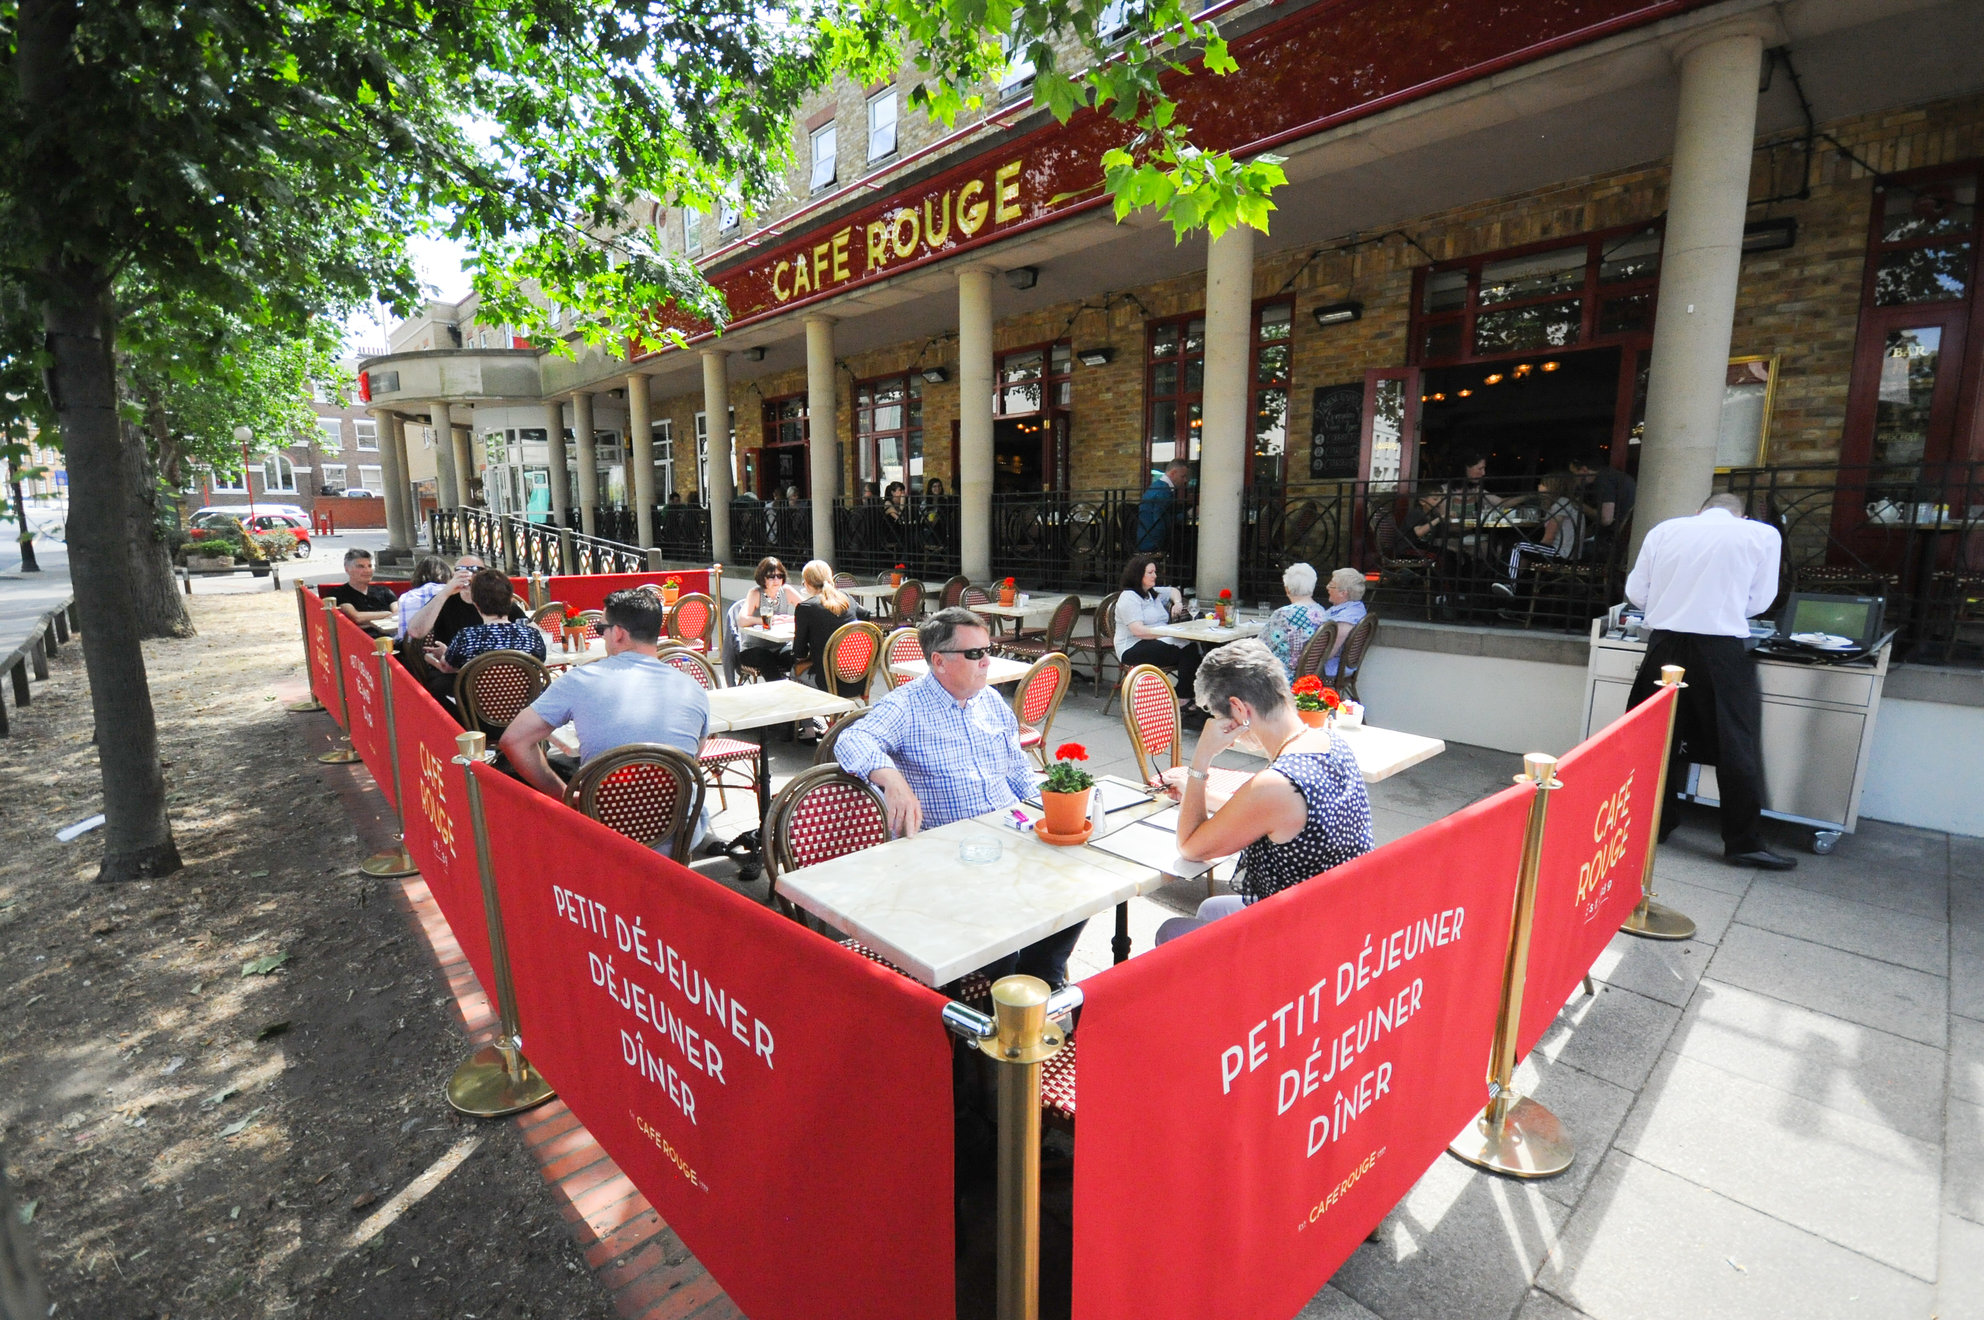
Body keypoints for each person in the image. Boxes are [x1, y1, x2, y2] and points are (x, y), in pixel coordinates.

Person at [834, 607, 1086, 987]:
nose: (987, 661)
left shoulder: (990, 701)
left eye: (988, 650)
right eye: (975, 654)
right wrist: (891, 778)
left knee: (1082, 884)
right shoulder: (906, 705)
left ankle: (1039, 978)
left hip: (1012, 838)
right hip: (951, 857)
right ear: (939, 661)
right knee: (998, 931)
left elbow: (1019, 772)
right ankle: (997, 996)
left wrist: (1058, 806)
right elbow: (852, 738)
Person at [1153, 640, 1374, 943]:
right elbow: (1272, 814)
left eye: (1219, 718)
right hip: (1341, 915)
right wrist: (1211, 799)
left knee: (1170, 933)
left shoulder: (1276, 784)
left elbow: (1190, 847)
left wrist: (1200, 760)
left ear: (1241, 710)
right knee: (1209, 908)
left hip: (1300, 937)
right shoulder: (1329, 741)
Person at [1624, 492, 1793, 870]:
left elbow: (1635, 593)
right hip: (1719, 647)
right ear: (1742, 515)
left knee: (1652, 737)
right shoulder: (1761, 535)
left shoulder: (1665, 529)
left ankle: (1650, 824)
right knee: (1733, 743)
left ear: (1699, 510)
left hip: (1665, 644)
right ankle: (1743, 843)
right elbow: (1760, 603)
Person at [499, 589, 712, 855]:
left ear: (619, 633)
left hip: (604, 836)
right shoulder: (693, 688)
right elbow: (690, 761)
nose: (602, 634)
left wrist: (563, 794)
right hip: (679, 833)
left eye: (602, 628)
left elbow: (513, 740)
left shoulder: (579, 680)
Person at [791, 560, 868, 735]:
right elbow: (865, 617)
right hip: (858, 679)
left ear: (808, 584)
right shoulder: (848, 600)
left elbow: (799, 653)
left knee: (794, 672)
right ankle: (840, 720)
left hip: (828, 682)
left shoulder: (806, 607)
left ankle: (808, 730)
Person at [429, 567, 547, 674]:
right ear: (511, 600)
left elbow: (449, 668)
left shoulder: (466, 637)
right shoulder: (532, 636)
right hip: (526, 696)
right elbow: (540, 663)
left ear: (475, 603)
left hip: (478, 696)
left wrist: (445, 654)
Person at [1113, 554, 1199, 694]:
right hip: (1133, 646)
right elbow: (1138, 631)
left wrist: (1177, 603)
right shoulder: (1129, 597)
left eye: (1155, 572)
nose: (1155, 576)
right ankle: (1183, 696)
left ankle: (1185, 693)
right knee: (1187, 652)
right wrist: (1168, 632)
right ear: (1138, 574)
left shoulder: (1152, 593)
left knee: (1193, 647)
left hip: (1158, 638)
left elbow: (1173, 591)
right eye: (1150, 573)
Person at [1493, 472, 1585, 592]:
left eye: (1542, 484)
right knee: (1523, 551)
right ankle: (1517, 589)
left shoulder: (1560, 504)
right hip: (1570, 552)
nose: (1539, 487)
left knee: (1518, 546)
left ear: (1552, 487)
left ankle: (1509, 584)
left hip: (1561, 552)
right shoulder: (1567, 503)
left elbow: (1548, 538)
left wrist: (1534, 552)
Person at [405, 554, 524, 646]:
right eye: (460, 569)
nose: (467, 574)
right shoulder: (443, 600)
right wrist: (445, 592)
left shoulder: (497, 599)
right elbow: (415, 632)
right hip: (449, 667)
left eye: (475, 569)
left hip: (495, 668)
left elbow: (531, 629)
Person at [1260, 563, 1330, 680]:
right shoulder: (1322, 612)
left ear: (1287, 589)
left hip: (1283, 677)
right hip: (1311, 677)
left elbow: (1261, 645)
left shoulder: (1284, 614)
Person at [738, 556, 803, 680]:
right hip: (753, 648)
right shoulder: (755, 593)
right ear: (763, 578)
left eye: (780, 576)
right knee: (766, 658)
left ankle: (798, 689)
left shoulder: (787, 591)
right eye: (771, 577)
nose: (776, 580)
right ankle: (779, 694)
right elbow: (742, 620)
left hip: (779, 646)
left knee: (798, 656)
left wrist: (788, 619)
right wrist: (765, 620)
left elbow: (808, 610)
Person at [324, 548, 397, 632]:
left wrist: (367, 622)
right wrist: (387, 614)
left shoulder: (384, 590)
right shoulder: (338, 593)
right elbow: (357, 617)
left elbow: (398, 613)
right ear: (347, 569)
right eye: (361, 566)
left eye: (369, 566)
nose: (367, 571)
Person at [1568, 452, 1636, 531]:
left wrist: (1579, 505)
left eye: (1574, 473)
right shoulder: (1610, 475)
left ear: (1584, 470)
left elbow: (1606, 519)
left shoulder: (1603, 480)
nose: (1573, 478)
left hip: (1616, 534)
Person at [393, 556, 453, 640]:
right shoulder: (448, 592)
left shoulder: (404, 597)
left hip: (407, 648)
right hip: (439, 645)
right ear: (446, 574)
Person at [1137, 461, 1190, 554]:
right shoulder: (1163, 491)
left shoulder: (1158, 487)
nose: (1185, 480)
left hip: (1146, 538)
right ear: (1173, 473)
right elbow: (1162, 521)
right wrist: (1188, 514)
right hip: (1154, 542)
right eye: (1183, 476)